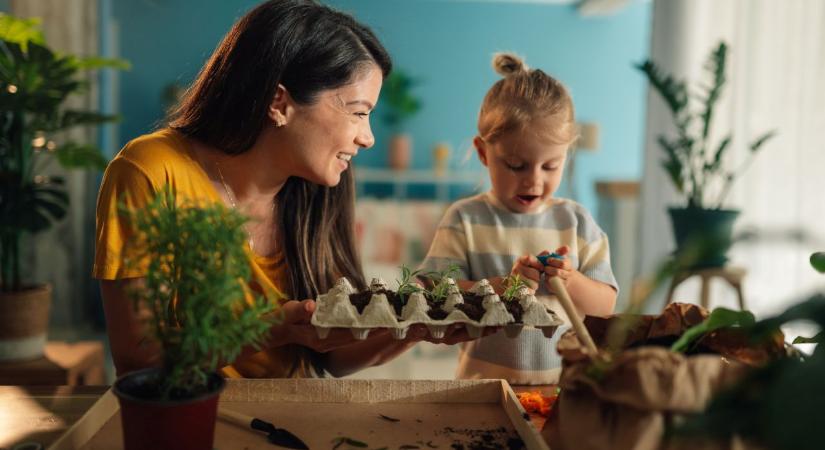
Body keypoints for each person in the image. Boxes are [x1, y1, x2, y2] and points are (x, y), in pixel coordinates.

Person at [94, 0, 471, 380]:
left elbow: (334, 358)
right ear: (280, 102)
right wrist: (271, 329)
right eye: (358, 112)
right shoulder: (150, 171)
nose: (368, 137)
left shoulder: (318, 189)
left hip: (296, 421)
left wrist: (417, 327)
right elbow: (138, 358)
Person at [419, 53, 618, 384]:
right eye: (516, 165)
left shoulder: (577, 221)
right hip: (480, 392)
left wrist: (571, 281)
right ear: (483, 152)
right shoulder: (465, 218)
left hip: (560, 394)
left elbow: (605, 307)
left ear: (566, 155)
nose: (533, 181)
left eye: (550, 166)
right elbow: (433, 295)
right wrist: (500, 288)